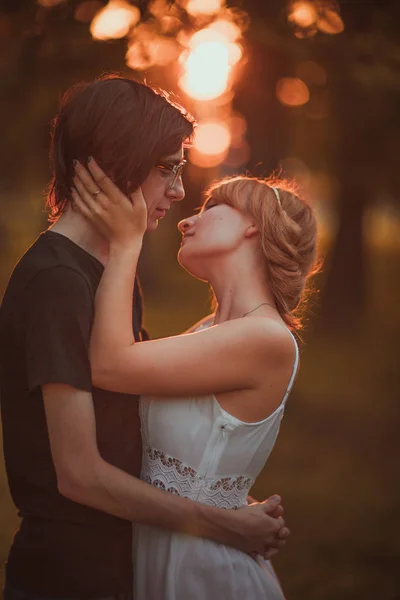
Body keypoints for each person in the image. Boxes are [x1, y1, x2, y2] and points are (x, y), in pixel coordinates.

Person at [0, 75, 287, 600]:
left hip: (128, 568)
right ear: (118, 160)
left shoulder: (106, 273)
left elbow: (131, 433)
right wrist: (225, 527)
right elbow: (80, 475)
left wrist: (224, 497)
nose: (178, 192)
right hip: (67, 577)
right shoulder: (56, 282)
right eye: (167, 169)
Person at [71, 158, 320, 599]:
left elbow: (109, 365)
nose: (186, 220)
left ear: (252, 227)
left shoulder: (265, 337)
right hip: (168, 557)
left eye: (210, 208)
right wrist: (235, 507)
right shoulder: (208, 330)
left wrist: (127, 242)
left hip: (205, 575)